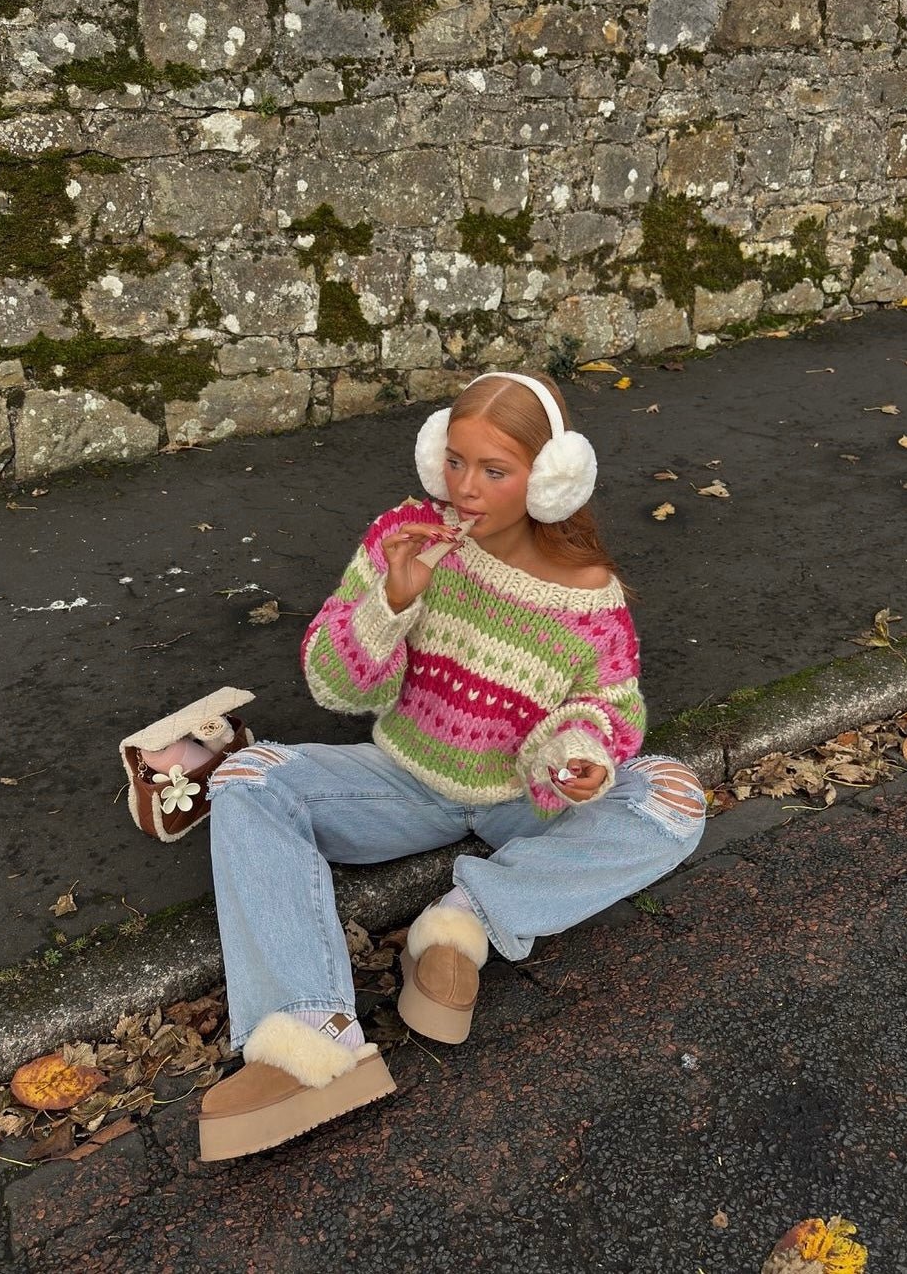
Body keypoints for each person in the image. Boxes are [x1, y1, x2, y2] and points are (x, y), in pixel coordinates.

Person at [196, 371, 707, 1162]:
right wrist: (392, 601)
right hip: (400, 781)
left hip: (519, 799)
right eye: (455, 461)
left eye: (493, 470)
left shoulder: (589, 593)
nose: (464, 489)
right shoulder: (402, 536)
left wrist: (577, 756)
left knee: (674, 797)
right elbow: (333, 685)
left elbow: (610, 707)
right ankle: (311, 1031)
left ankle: (462, 925)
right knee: (245, 780)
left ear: (552, 476)